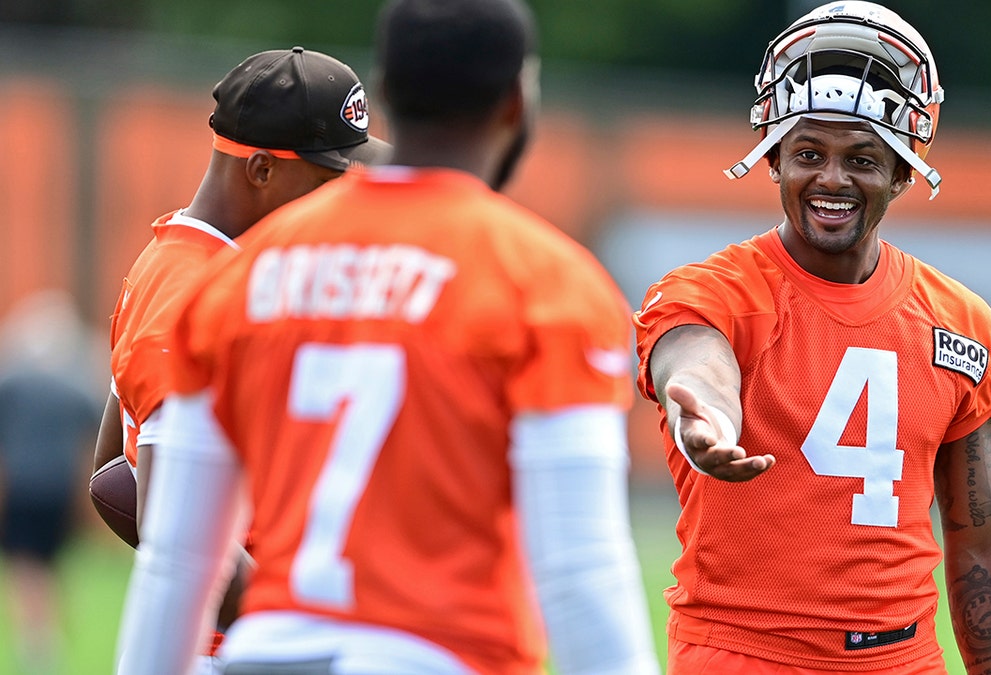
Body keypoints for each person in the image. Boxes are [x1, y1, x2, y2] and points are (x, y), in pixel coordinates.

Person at [115, 1, 661, 674]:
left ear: (387, 92)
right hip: (436, 653)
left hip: (266, 652)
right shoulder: (546, 282)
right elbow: (579, 569)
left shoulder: (238, 276)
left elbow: (177, 555)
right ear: (517, 101)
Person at [633, 3, 991, 674]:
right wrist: (705, 411)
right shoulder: (712, 290)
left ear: (904, 172)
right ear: (773, 161)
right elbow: (696, 358)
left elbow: (981, 537)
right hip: (744, 655)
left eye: (862, 159)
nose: (832, 179)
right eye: (808, 153)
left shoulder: (961, 323)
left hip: (906, 658)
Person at [93, 46, 389, 671]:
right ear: (259, 169)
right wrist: (310, 635)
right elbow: (178, 530)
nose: (347, 196)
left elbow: (110, 474)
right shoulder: (191, 290)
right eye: (330, 178)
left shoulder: (188, 263)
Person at [0, 291, 104, 675]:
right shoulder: (71, 387)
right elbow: (97, 418)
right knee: (50, 564)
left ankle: (37, 641)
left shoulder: (11, 381)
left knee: (26, 566)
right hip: (60, 490)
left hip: (24, 487)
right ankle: (50, 632)